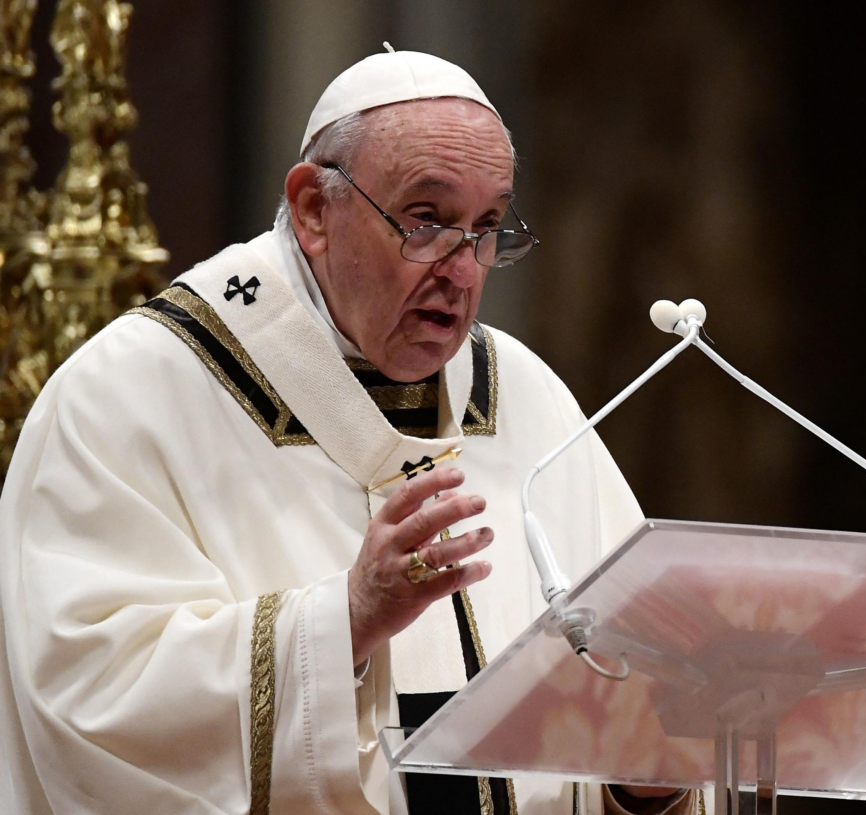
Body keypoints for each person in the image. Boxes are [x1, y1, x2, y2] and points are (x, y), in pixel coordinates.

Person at [0, 48, 696, 814]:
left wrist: (645, 779)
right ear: (312, 210)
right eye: (426, 220)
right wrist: (346, 622)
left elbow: (631, 695)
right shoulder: (133, 390)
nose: (464, 271)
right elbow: (86, 697)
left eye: (488, 226)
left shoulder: (524, 394)